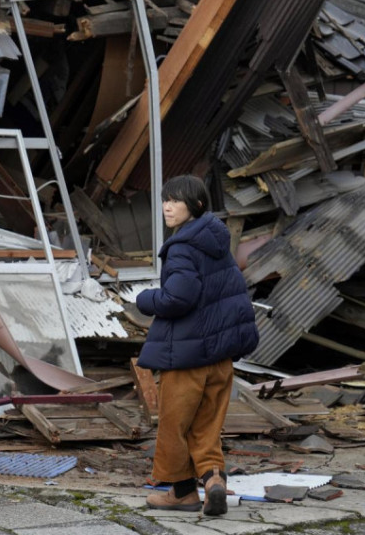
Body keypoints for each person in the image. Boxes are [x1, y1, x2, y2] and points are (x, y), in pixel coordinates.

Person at [134, 175, 259, 516]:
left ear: (197, 205)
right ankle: (214, 480)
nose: (167, 206)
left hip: (188, 357)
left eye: (176, 200)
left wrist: (145, 299)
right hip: (220, 358)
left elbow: (179, 297)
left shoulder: (183, 247)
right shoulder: (217, 243)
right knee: (206, 426)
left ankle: (182, 493)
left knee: (175, 426)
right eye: (165, 199)